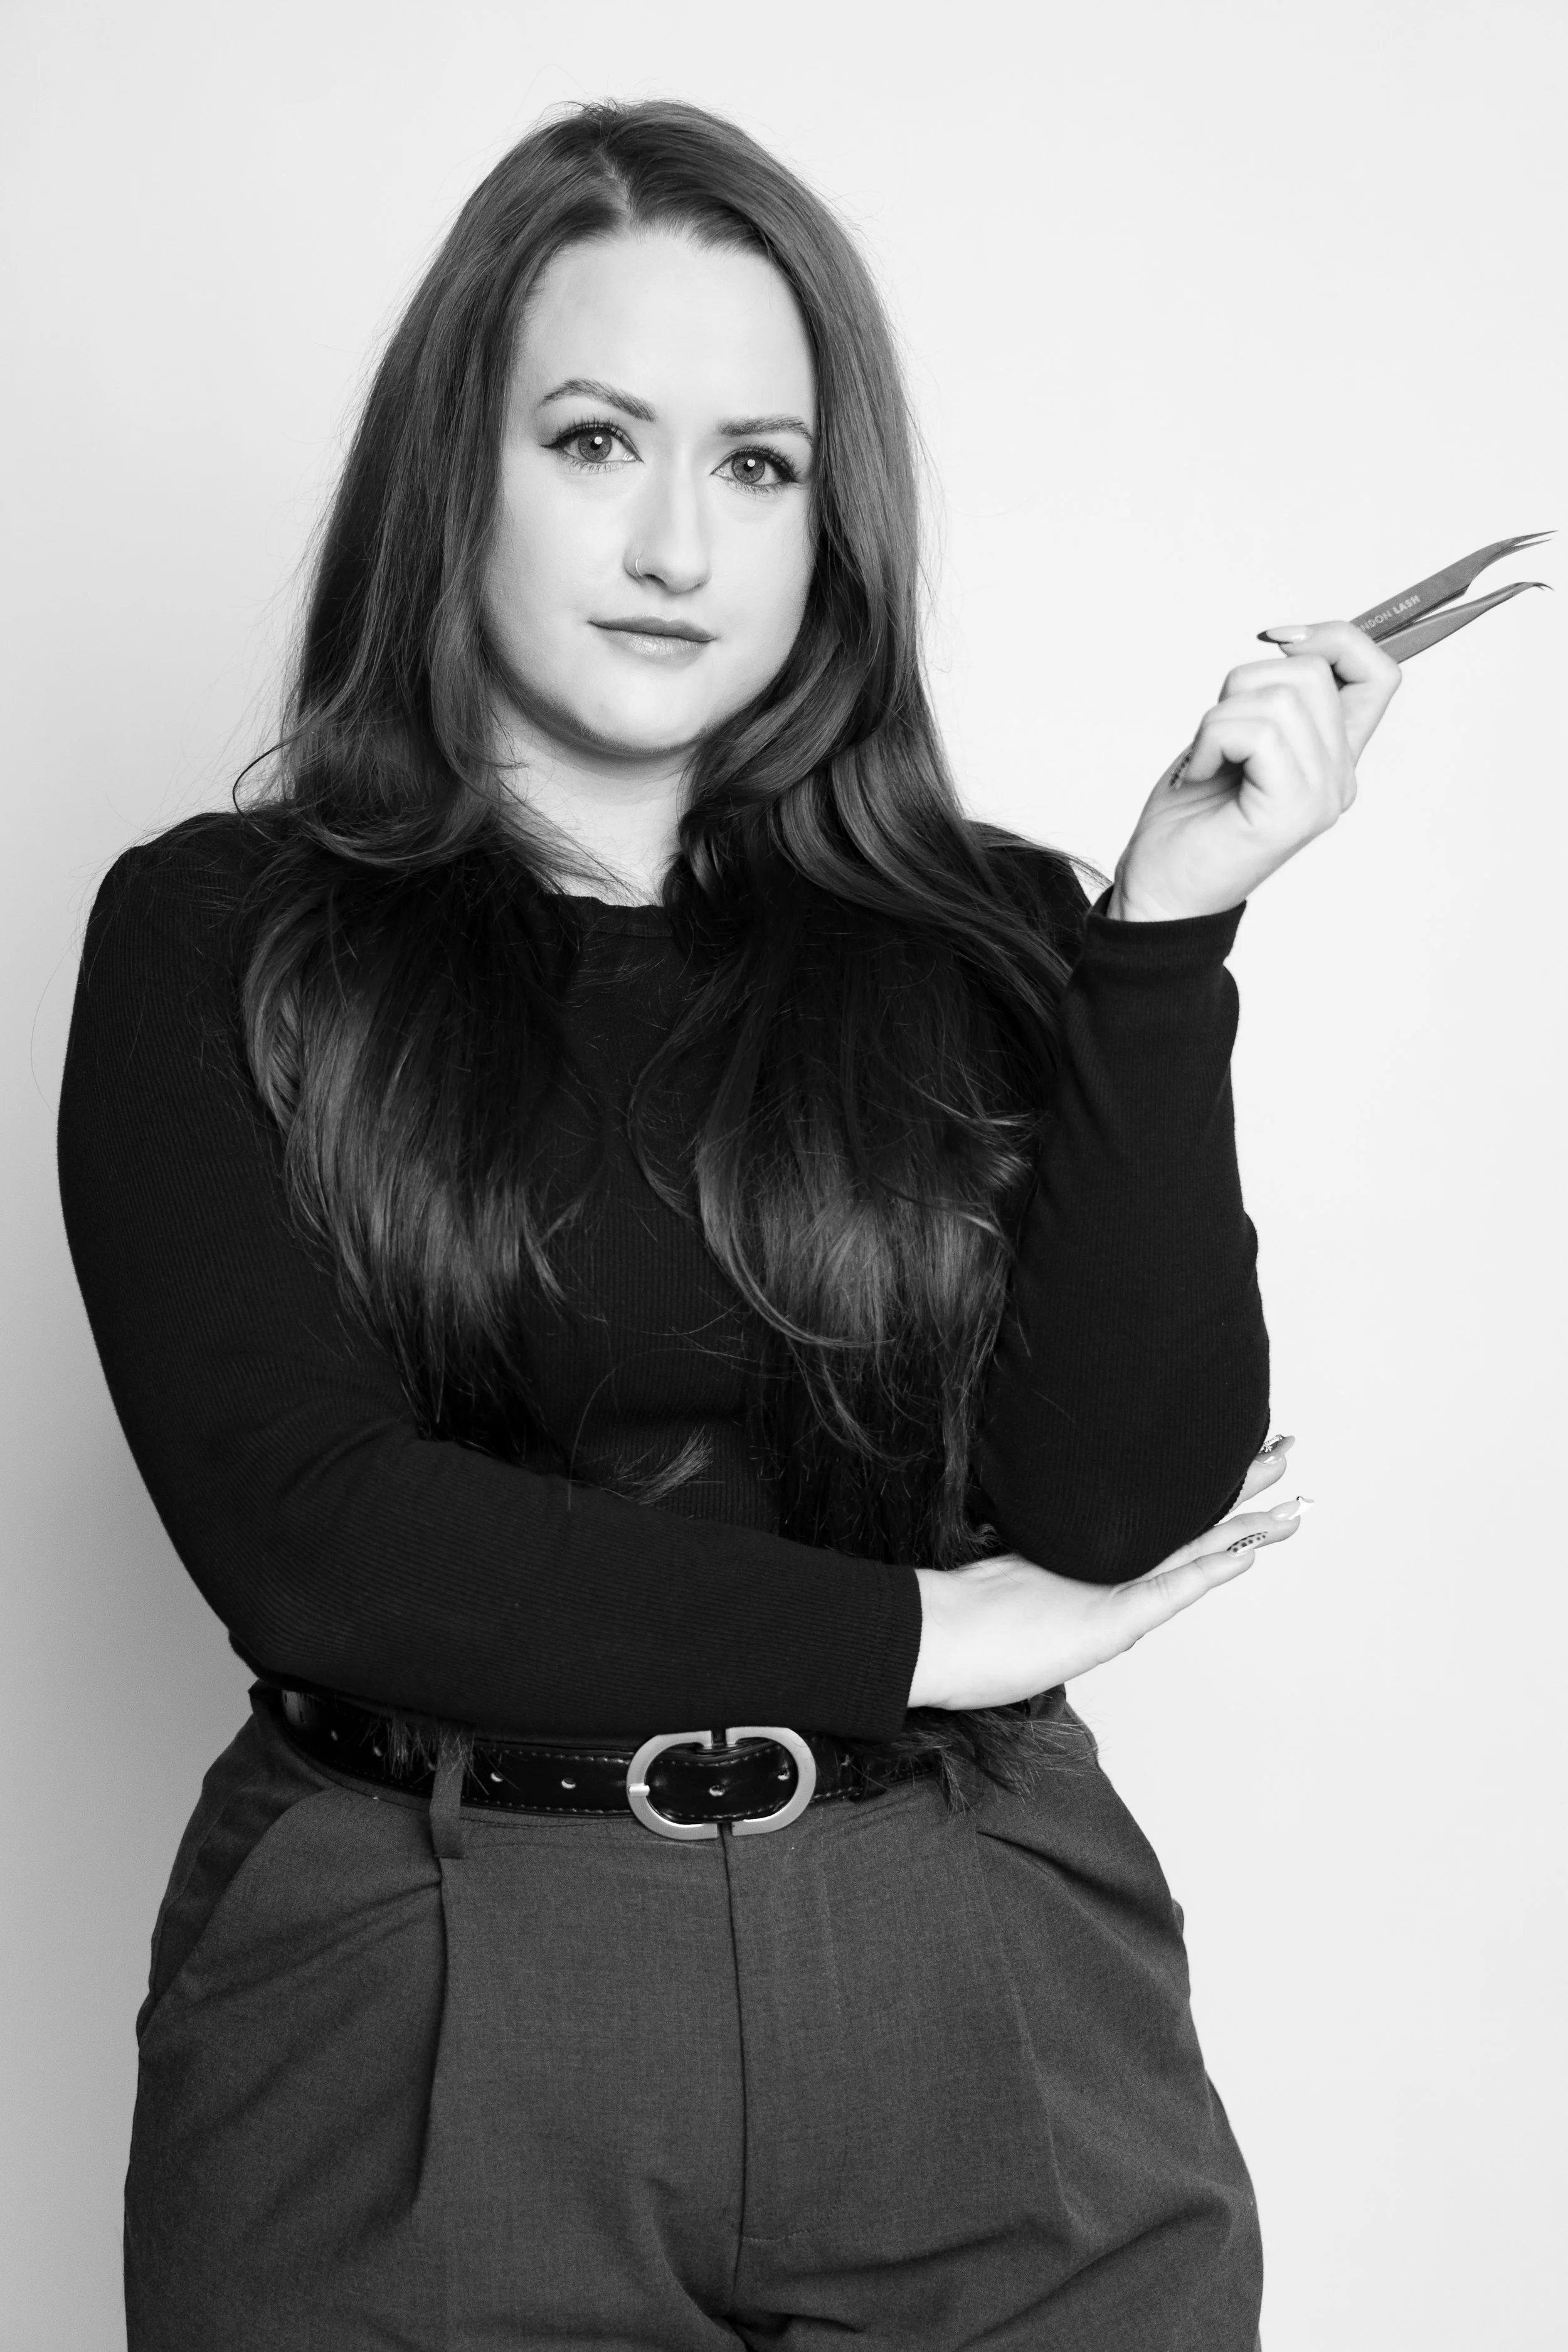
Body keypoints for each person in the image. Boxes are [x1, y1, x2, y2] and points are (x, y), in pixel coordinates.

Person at [57, 98, 1399, 2352]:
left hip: (974, 1970)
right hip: (420, 1994)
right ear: (452, 477)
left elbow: (1115, 1502)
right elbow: (313, 1533)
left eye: (757, 466)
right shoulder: (228, 938)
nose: (677, 540)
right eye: (595, 440)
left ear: (825, 528)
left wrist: (1162, 935)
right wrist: (914, 1631)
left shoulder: (991, 936)